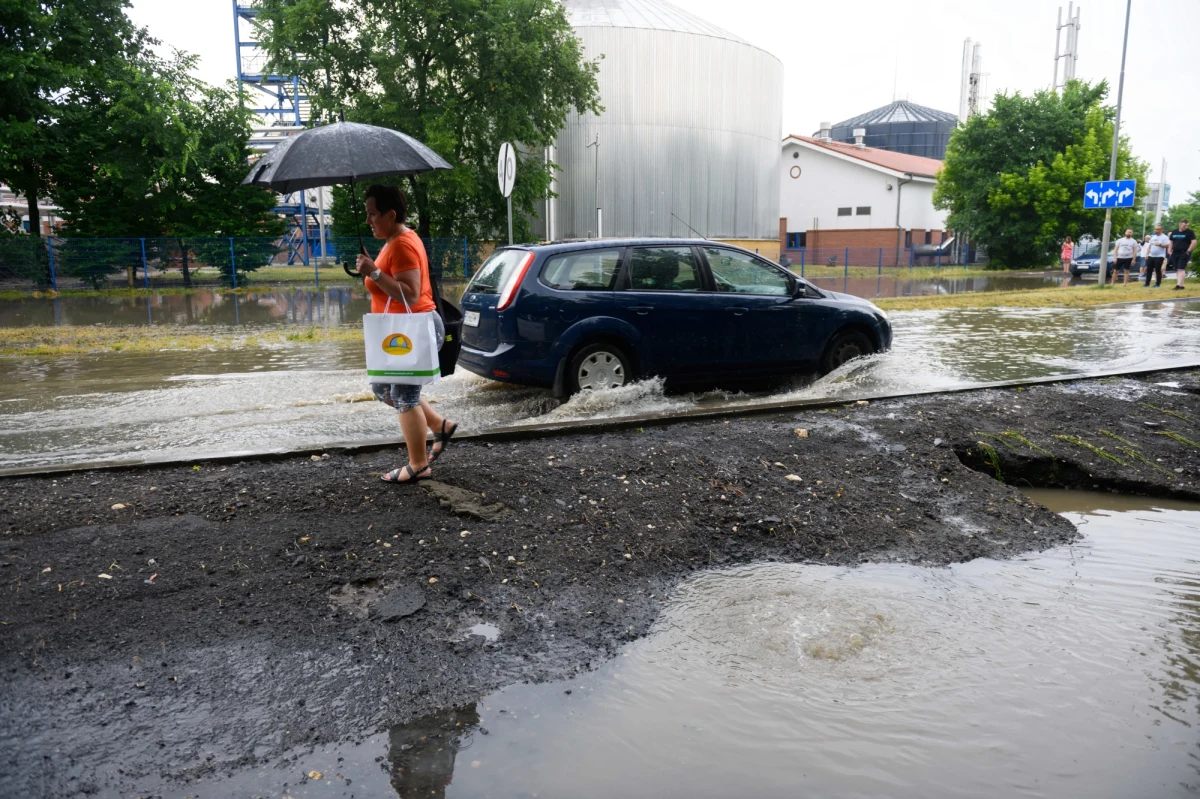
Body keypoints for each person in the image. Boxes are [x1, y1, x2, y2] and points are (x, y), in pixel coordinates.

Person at [355, 184, 458, 484]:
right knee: (383, 390)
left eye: (372, 214)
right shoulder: (391, 240)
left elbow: (411, 295)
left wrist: (374, 272)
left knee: (403, 395)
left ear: (390, 214)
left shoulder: (402, 244)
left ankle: (419, 465)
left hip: (414, 330)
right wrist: (373, 269)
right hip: (400, 332)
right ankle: (440, 426)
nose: (368, 221)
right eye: (367, 214)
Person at [1167, 219, 1196, 291]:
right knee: (1177, 269)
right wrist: (1169, 250)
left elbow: (1194, 242)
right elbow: (1171, 241)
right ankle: (1182, 285)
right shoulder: (1174, 232)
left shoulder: (1190, 232)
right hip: (1175, 252)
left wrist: (1188, 251)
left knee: (1181, 268)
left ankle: (1178, 285)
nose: (1185, 227)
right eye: (1184, 225)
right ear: (1180, 224)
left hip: (1184, 252)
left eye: (1187, 225)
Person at [1145, 223, 1171, 287]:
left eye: (1158, 229)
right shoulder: (1153, 237)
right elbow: (1150, 246)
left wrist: (1160, 244)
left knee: (1157, 269)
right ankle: (1147, 283)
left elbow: (1168, 245)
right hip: (1151, 255)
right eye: (1155, 229)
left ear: (1161, 230)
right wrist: (1147, 254)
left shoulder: (1164, 237)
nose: (1156, 230)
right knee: (1149, 269)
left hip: (1159, 256)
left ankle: (1157, 283)